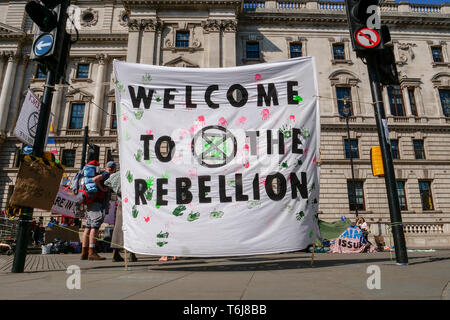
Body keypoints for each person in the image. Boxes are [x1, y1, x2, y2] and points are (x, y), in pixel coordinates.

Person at [80, 161, 117, 261]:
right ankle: (92, 252)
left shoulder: (100, 172)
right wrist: (102, 189)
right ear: (113, 169)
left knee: (88, 226)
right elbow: (95, 179)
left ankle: (84, 252)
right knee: (95, 227)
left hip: (90, 202)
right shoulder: (106, 174)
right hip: (97, 203)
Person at [104, 170, 138, 263]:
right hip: (132, 204)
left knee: (118, 229)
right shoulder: (133, 172)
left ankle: (115, 253)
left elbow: (106, 182)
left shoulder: (116, 175)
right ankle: (131, 254)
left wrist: (115, 188)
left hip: (121, 203)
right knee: (132, 229)